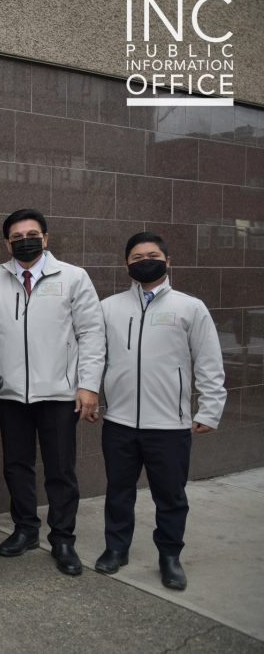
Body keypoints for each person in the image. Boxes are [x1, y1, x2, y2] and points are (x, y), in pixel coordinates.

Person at [0, 208, 105, 575]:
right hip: (10, 393)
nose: (24, 240)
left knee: (61, 469)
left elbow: (91, 334)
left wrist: (88, 385)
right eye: (16, 236)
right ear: (7, 242)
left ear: (46, 238)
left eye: (32, 233)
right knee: (16, 466)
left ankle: (63, 539)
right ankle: (26, 529)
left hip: (60, 393)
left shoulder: (74, 278)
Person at [95, 232, 226, 590]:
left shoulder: (190, 307)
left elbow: (209, 361)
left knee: (170, 495)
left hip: (169, 423)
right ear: (126, 264)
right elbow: (94, 356)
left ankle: (169, 556)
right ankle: (116, 549)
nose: (144, 261)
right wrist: (90, 394)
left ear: (168, 261)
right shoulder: (109, 307)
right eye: (136, 256)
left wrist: (210, 409)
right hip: (120, 421)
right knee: (118, 490)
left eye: (152, 255)